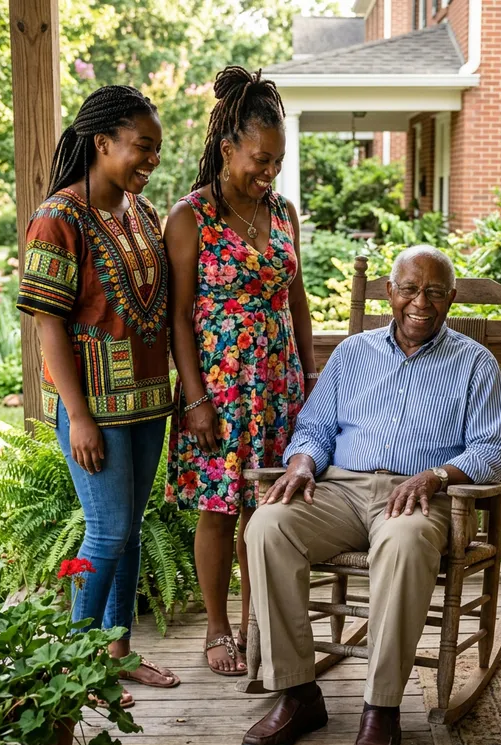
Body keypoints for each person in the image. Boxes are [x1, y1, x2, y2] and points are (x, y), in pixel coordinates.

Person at [241, 245, 501, 745]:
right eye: (409, 288)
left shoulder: (474, 362)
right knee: (269, 526)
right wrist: (300, 464)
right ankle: (298, 694)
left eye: (435, 291)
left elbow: (491, 449)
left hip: (422, 496)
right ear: (390, 292)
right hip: (339, 490)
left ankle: (380, 708)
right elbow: (315, 427)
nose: (421, 302)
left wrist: (436, 475)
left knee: (405, 543)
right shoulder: (352, 354)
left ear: (451, 299)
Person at [16, 86, 180, 708]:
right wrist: (77, 415)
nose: (150, 160)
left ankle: (117, 655)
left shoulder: (139, 214)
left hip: (147, 404)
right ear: (102, 142)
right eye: (142, 147)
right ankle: (73, 669)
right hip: (97, 414)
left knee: (131, 530)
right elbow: (47, 322)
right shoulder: (57, 218)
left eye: (156, 150)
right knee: (108, 532)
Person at [165, 66, 317, 676]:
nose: (268, 172)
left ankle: (259, 624)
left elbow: (297, 302)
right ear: (227, 148)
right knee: (219, 509)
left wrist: (311, 382)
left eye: (277, 161)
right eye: (259, 158)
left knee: (267, 510)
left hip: (278, 387)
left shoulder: (283, 213)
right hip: (220, 391)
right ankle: (219, 628)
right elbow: (178, 318)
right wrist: (196, 400)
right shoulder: (190, 217)